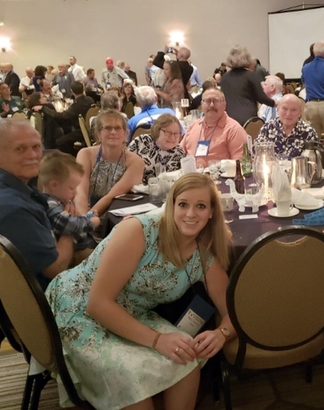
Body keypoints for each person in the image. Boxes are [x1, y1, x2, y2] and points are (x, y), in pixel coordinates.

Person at [45, 173, 235, 410]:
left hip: (132, 313)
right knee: (136, 393)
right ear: (171, 206)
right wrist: (157, 340)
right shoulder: (140, 231)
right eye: (183, 204)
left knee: (187, 359)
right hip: (80, 306)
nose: (190, 214)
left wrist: (222, 333)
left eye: (201, 206)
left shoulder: (204, 258)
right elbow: (98, 304)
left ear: (211, 213)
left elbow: (235, 312)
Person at [0, 120, 74, 289]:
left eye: (36, 147)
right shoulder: (9, 208)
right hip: (47, 299)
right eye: (20, 149)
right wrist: (70, 227)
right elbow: (55, 269)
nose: (32, 155)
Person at [75, 109, 144, 215]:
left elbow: (111, 196)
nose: (113, 132)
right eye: (107, 128)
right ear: (98, 133)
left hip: (114, 216)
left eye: (117, 128)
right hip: (83, 211)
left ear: (125, 134)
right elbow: (80, 192)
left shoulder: (135, 162)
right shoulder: (85, 154)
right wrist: (81, 219)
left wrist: (88, 218)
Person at [39, 150, 100, 258]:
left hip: (85, 244)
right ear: (54, 185)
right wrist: (91, 222)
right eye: (71, 188)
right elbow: (68, 224)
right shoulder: (50, 205)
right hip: (76, 253)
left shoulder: (63, 199)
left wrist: (87, 216)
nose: (75, 192)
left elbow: (74, 218)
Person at [181, 87, 247, 166]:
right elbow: (179, 154)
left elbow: (241, 165)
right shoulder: (193, 126)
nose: (211, 105)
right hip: (189, 176)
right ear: (202, 104)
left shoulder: (234, 130)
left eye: (216, 101)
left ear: (224, 105)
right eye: (208, 101)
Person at [220, 45, 275, 126]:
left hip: (228, 119)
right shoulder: (250, 75)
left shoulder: (224, 77)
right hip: (248, 120)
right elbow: (261, 97)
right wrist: (274, 102)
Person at [254, 94, 318, 160]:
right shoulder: (268, 128)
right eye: (284, 109)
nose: (288, 114)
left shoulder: (309, 133)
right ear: (278, 109)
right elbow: (257, 153)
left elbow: (313, 163)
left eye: (293, 110)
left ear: (300, 112)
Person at [128, 114, 186, 184]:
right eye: (168, 133)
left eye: (176, 134)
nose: (173, 138)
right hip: (136, 190)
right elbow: (124, 167)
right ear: (157, 130)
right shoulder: (141, 142)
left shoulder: (179, 153)